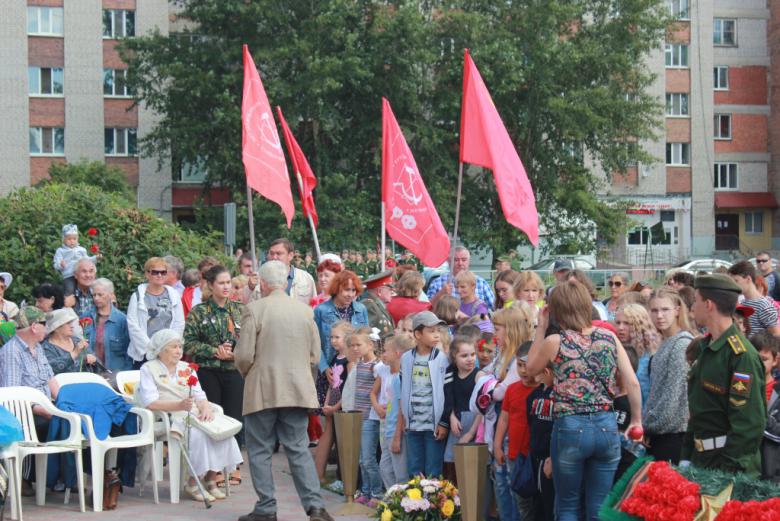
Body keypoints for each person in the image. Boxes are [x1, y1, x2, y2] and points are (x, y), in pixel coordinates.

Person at [526, 279, 642, 521]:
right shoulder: (608, 338)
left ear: (557, 311)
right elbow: (632, 382)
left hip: (570, 427)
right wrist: (637, 420)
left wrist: (540, 327)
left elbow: (530, 369)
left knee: (568, 505)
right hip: (606, 426)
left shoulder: (555, 342)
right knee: (599, 507)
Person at [234, 260, 334, 521]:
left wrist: (248, 373)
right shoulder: (304, 312)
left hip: (262, 388)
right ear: (286, 281)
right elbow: (314, 356)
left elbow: (244, 355)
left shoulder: (254, 309)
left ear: (264, 284)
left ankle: (266, 508)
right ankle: (315, 507)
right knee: (298, 448)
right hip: (297, 389)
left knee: (259, 450)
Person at [138, 329, 242, 502]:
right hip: (167, 415)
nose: (179, 350)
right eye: (174, 347)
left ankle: (210, 479)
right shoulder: (149, 369)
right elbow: (150, 402)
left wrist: (206, 409)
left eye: (180, 346)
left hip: (191, 412)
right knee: (200, 435)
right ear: (162, 350)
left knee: (221, 433)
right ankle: (193, 483)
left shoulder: (186, 368)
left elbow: (200, 396)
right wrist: (178, 405)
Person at [683, 274, 767, 476]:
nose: (692, 307)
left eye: (696, 300)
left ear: (709, 304)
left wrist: (727, 472)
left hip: (727, 466)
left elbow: (748, 424)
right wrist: (686, 457)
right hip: (702, 459)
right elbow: (700, 410)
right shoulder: (706, 347)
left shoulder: (741, 355)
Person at [184, 264, 244, 478]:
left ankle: (233, 466)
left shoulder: (239, 309)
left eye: (229, 282)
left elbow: (249, 342)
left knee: (234, 416)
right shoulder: (199, 312)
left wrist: (234, 354)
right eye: (221, 283)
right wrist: (213, 351)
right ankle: (214, 469)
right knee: (212, 417)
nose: (226, 287)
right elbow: (188, 343)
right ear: (210, 285)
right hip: (209, 371)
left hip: (233, 371)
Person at [0, 307, 59, 490]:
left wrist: (63, 404)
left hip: (47, 407)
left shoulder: (38, 348)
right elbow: (13, 396)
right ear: (34, 327)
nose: (47, 328)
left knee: (71, 420)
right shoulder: (11, 352)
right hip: (26, 413)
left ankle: (62, 479)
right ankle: (29, 477)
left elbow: (51, 380)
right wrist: (44, 410)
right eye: (44, 324)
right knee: (54, 424)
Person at [644, 288, 693, 463]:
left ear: (677, 310)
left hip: (675, 435)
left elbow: (673, 398)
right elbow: (656, 392)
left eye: (665, 310)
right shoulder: (666, 342)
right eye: (654, 310)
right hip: (660, 433)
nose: (659, 315)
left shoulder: (681, 345)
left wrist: (649, 427)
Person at [399, 311, 449, 478]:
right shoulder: (406, 359)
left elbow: (447, 392)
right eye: (431, 331)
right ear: (418, 334)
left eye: (438, 331)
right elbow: (403, 389)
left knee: (433, 470)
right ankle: (415, 504)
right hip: (413, 424)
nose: (436, 335)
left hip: (433, 425)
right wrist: (405, 417)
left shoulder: (442, 359)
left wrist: (443, 422)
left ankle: (434, 503)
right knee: (415, 469)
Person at [493, 342, 538, 520]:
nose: (523, 370)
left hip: (534, 456)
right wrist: (497, 446)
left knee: (533, 502)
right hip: (514, 454)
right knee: (517, 497)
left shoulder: (543, 391)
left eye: (526, 365)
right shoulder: (512, 390)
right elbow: (504, 418)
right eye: (519, 365)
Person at [127, 257, 185, 369]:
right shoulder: (137, 296)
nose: (159, 275)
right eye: (155, 272)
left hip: (168, 353)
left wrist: (170, 347)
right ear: (147, 274)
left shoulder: (174, 295)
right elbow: (133, 325)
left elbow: (179, 323)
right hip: (144, 354)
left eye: (163, 272)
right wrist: (152, 350)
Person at [314, 321, 353, 485]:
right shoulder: (336, 358)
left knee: (343, 440)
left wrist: (336, 406)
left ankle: (343, 477)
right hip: (334, 404)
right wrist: (328, 403)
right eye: (331, 337)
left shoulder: (350, 361)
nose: (333, 341)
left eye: (337, 337)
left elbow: (350, 387)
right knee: (328, 435)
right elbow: (333, 384)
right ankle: (319, 475)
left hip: (343, 405)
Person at [440, 336, 483, 484]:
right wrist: (451, 416)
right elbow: (449, 399)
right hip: (457, 424)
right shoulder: (451, 374)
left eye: (472, 354)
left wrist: (471, 432)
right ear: (454, 357)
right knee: (451, 464)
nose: (470, 359)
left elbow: (483, 408)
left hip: (474, 424)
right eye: (464, 356)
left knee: (470, 470)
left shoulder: (479, 376)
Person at [313, 270, 369, 377]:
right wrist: (324, 367)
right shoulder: (321, 310)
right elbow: (314, 342)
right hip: (330, 369)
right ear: (337, 289)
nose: (351, 295)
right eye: (347, 290)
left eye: (353, 290)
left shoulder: (361, 309)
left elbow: (366, 339)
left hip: (355, 368)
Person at [350, 327, 383, 505]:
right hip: (359, 416)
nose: (355, 348)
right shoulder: (360, 364)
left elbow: (378, 391)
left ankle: (377, 493)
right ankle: (365, 491)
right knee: (362, 459)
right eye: (352, 345)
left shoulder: (376, 366)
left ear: (370, 345)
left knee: (369, 458)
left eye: (358, 345)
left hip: (370, 417)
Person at [379, 334, 414, 487]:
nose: (384, 354)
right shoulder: (394, 377)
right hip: (389, 429)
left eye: (386, 351)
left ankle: (401, 506)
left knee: (401, 474)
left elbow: (401, 409)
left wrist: (397, 436)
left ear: (398, 354)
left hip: (396, 432)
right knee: (385, 468)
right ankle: (392, 503)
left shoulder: (401, 377)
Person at [613, 304, 659, 406]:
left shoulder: (649, 359)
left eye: (627, 323)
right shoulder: (614, 352)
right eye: (618, 323)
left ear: (639, 326)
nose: (621, 328)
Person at [526, 360, 555, 521]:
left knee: (550, 504)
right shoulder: (535, 395)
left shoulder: (560, 395)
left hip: (551, 458)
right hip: (536, 457)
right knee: (538, 503)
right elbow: (531, 421)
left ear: (547, 371)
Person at [83, 278, 132, 371]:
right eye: (94, 295)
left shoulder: (122, 320)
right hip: (90, 373)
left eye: (100, 294)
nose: (96, 298)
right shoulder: (85, 318)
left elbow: (129, 353)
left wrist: (124, 375)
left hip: (115, 374)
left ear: (111, 295)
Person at [427, 246, 496, 309]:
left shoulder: (480, 282)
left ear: (469, 261)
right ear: (449, 262)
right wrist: (441, 293)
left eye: (464, 260)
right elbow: (427, 309)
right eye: (456, 260)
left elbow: (494, 308)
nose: (460, 263)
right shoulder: (437, 283)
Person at [728, 260, 780, 336]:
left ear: (748, 279)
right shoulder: (742, 303)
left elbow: (776, 336)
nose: (733, 285)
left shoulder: (764, 306)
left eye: (736, 281)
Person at [42, 307, 96, 374]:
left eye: (71, 323)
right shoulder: (46, 348)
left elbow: (94, 359)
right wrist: (74, 353)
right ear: (56, 328)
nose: (72, 326)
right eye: (68, 323)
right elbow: (50, 368)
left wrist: (93, 359)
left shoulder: (77, 341)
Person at [266, 238, 317, 304]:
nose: (274, 257)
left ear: (290, 256)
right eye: (271, 253)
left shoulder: (306, 278)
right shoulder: (262, 280)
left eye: (279, 253)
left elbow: (314, 306)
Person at [53, 224, 99, 297]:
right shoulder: (60, 251)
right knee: (70, 290)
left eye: (74, 239)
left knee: (94, 286)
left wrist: (96, 258)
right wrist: (60, 265)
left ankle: (93, 300)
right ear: (63, 239)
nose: (72, 241)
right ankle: (68, 305)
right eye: (69, 239)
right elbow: (56, 264)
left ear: (77, 239)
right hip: (69, 275)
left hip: (82, 274)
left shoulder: (81, 249)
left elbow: (87, 261)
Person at [360, 270, 396, 341]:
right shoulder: (369, 305)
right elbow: (368, 334)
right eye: (389, 289)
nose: (392, 292)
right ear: (379, 291)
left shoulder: (376, 305)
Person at [751, 331, 779, 402]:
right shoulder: (742, 386)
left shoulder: (777, 391)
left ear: (775, 360)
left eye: (764, 359)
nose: (758, 363)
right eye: (755, 358)